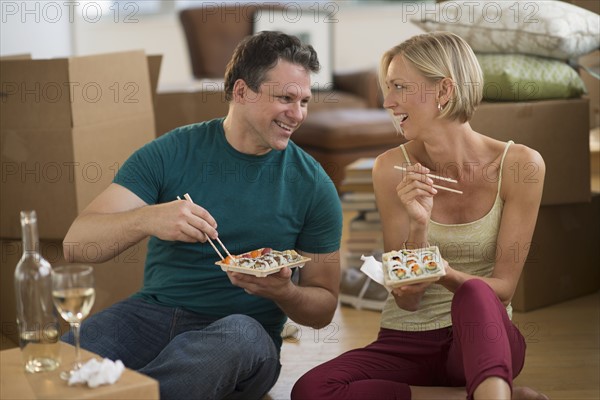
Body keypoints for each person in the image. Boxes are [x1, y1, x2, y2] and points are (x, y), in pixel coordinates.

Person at [62, 31, 343, 400]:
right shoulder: (170, 152)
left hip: (242, 334)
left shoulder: (313, 185)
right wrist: (147, 219)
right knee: (62, 358)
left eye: (304, 101)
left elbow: (323, 307)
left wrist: (286, 292)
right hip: (151, 315)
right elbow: (76, 244)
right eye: (285, 98)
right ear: (242, 91)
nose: (298, 114)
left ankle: (122, 389)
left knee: (232, 340)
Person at [292, 32, 549, 400]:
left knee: (475, 290)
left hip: (482, 340)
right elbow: (406, 299)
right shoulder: (391, 167)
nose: (387, 102)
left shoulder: (521, 165)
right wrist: (419, 224)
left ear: (444, 91)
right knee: (312, 390)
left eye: (399, 87)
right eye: (387, 88)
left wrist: (445, 273)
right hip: (407, 341)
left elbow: (504, 288)